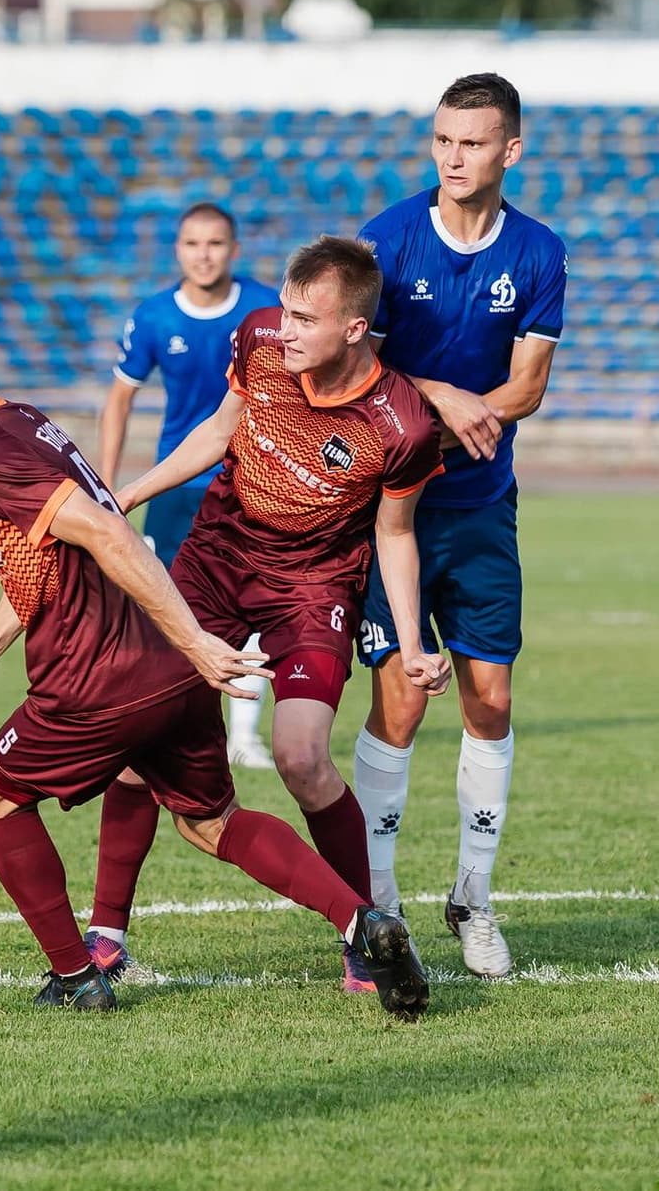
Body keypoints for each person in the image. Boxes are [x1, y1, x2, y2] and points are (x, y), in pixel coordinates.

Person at [0, 289, 429, 1021]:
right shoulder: (26, 424)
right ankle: (363, 922)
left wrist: (197, 639)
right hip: (162, 671)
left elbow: (112, 536)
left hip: (96, 675)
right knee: (211, 821)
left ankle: (77, 977)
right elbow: (41, 563)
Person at [86, 237, 452, 996]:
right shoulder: (257, 338)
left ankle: (365, 936)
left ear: (354, 329)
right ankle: (107, 935)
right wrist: (128, 496)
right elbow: (221, 431)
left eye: (304, 318)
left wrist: (413, 644)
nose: (282, 328)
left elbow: (394, 532)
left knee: (302, 759)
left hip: (313, 587)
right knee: (134, 734)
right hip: (216, 559)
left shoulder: (403, 425)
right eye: (283, 309)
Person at [350, 72, 569, 981]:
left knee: (494, 699)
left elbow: (528, 388)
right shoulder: (388, 241)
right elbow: (358, 369)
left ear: (509, 151)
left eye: (472, 142)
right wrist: (442, 396)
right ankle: (382, 900)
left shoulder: (541, 251)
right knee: (401, 697)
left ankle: (473, 898)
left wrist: (471, 409)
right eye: (442, 140)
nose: (452, 157)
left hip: (482, 505)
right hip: (389, 507)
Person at [98, 202, 281, 771]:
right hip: (178, 485)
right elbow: (120, 398)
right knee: (169, 604)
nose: (205, 255)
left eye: (216, 244)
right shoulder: (153, 317)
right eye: (193, 244)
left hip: (252, 481)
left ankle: (244, 736)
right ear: (178, 250)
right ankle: (167, 722)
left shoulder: (265, 309)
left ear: (234, 250)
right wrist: (106, 487)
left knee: (254, 604)